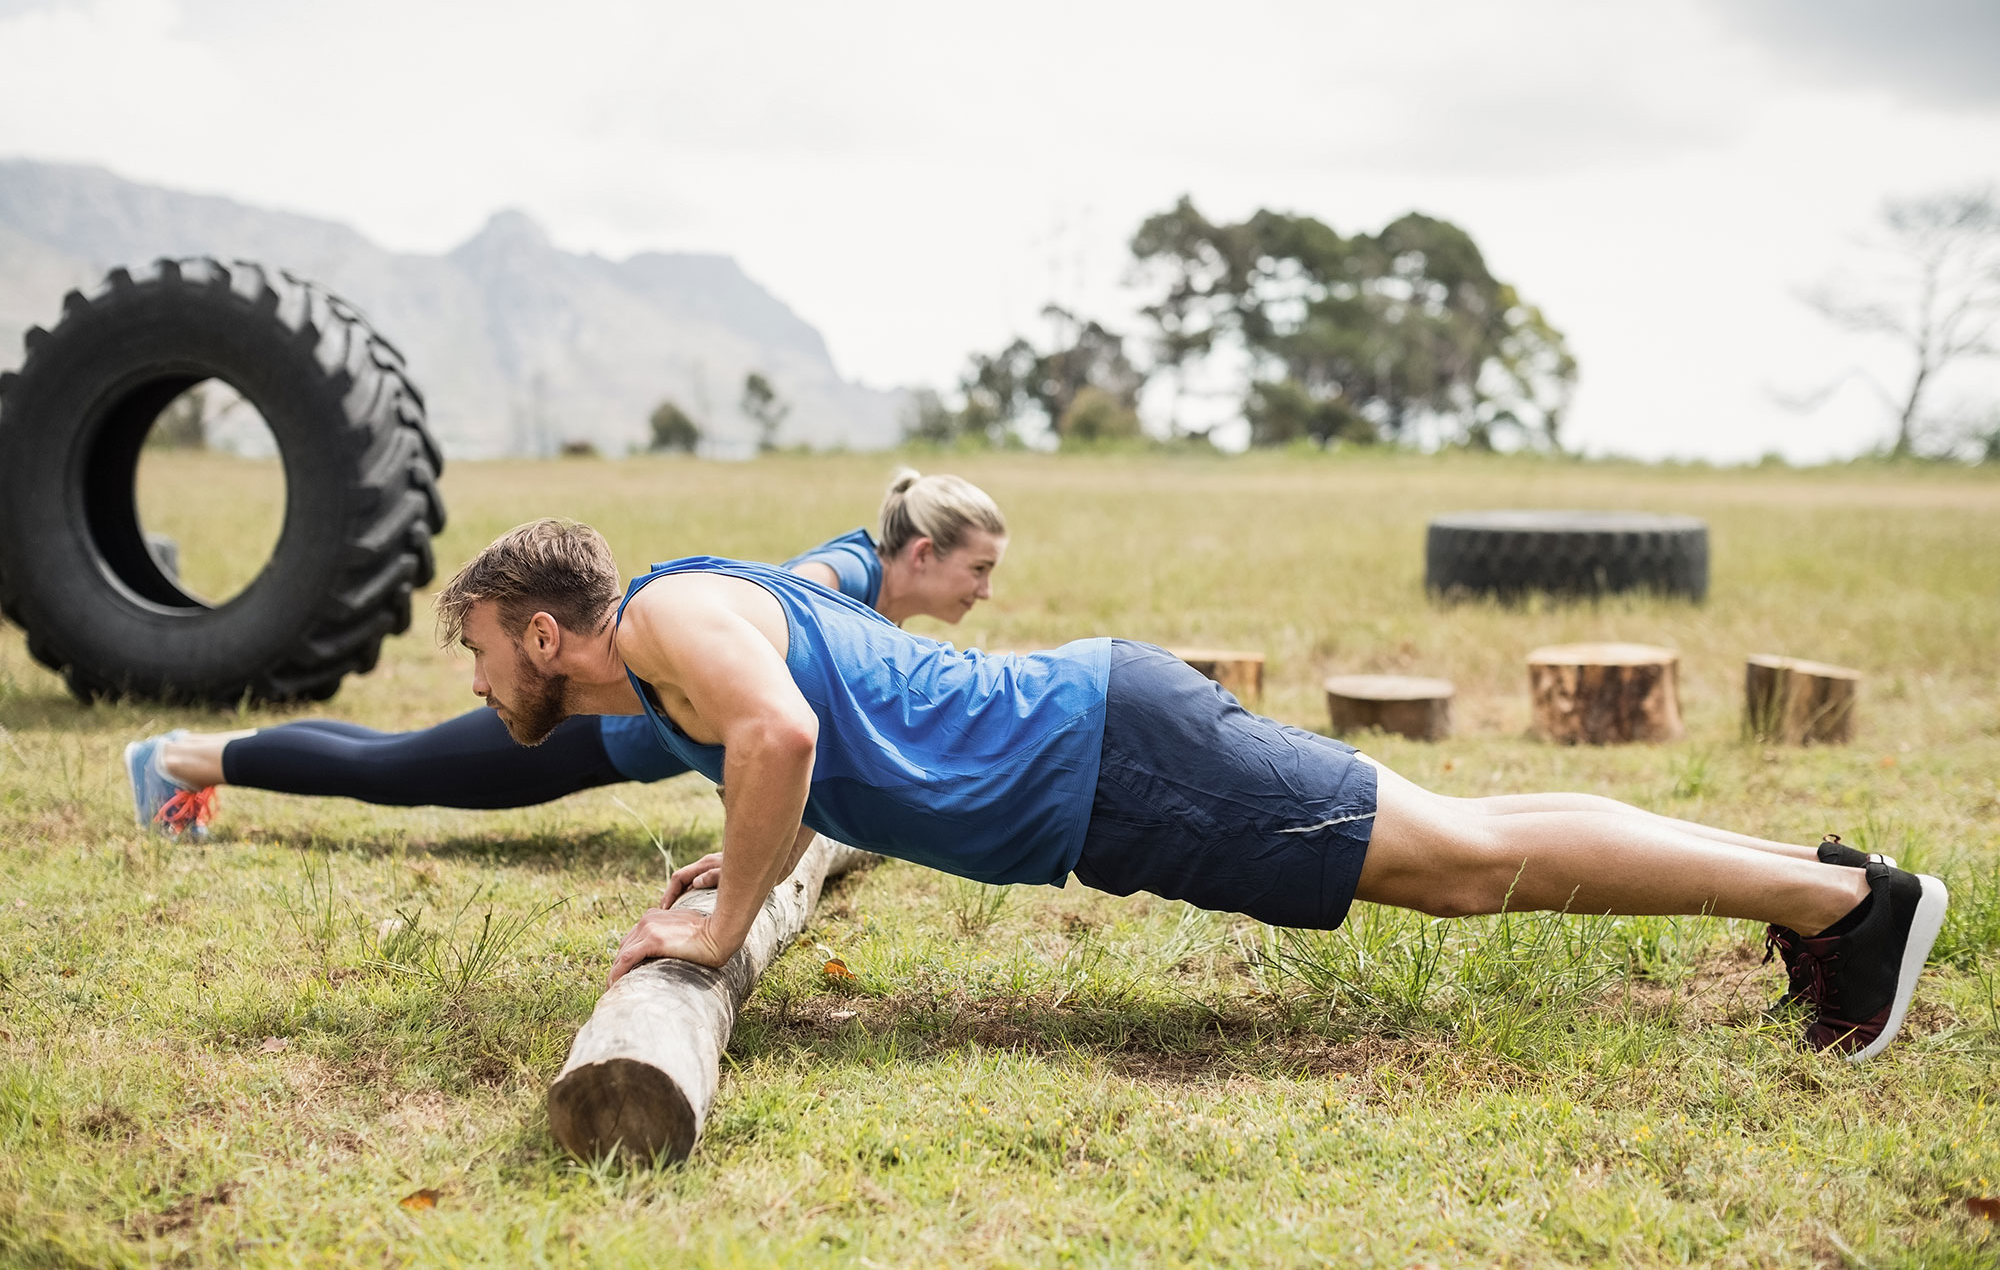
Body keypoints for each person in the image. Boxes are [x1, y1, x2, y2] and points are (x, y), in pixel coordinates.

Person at [429, 518, 1949, 1064]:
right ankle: (1828, 883)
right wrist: (740, 862)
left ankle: (1843, 906)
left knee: (1464, 862)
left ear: (544, 633)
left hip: (1111, 760)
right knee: (1465, 841)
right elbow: (822, 707)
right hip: (1106, 744)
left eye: (482, 646)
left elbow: (782, 736)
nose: (481, 676)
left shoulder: (665, 623)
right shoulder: (683, 626)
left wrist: (723, 924)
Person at [122, 470, 1008, 841]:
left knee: (396, 759)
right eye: (978, 569)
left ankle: (191, 757)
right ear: (922, 553)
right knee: (393, 767)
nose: (984, 589)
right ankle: (179, 759)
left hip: (624, 729)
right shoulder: (847, 570)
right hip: (597, 721)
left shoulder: (878, 588)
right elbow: (769, 662)